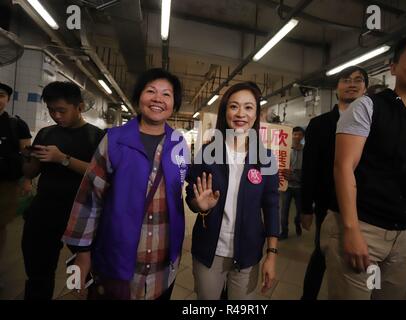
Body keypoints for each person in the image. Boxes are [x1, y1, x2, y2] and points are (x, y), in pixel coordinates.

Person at [325, 27, 406, 299]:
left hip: (405, 234)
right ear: (393, 67)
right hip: (362, 224)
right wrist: (351, 230)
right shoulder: (369, 107)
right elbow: (343, 167)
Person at [62, 68, 189, 300]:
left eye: (166, 94)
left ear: (174, 103)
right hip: (117, 262)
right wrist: (82, 253)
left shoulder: (179, 143)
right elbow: (89, 199)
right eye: (150, 91)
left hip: (163, 264)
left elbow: (177, 193)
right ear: (139, 96)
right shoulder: (114, 140)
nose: (158, 98)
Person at [185, 82, 280, 300]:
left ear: (256, 115)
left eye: (248, 107)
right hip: (210, 251)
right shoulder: (207, 152)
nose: (240, 114)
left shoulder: (265, 159)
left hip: (247, 253)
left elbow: (272, 206)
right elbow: (191, 192)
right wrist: (199, 206)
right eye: (234, 106)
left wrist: (271, 255)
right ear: (225, 111)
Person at [21, 81, 104, 300]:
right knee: (38, 273)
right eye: (51, 110)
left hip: (81, 216)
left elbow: (101, 175)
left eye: (62, 110)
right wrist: (30, 159)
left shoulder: (96, 137)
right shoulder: (47, 134)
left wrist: (63, 159)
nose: (56, 116)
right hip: (44, 212)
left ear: (79, 106)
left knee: (87, 275)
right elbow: (30, 172)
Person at [300, 66, 368, 300]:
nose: (352, 84)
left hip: (366, 205)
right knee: (321, 253)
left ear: (365, 88)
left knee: (361, 258)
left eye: (358, 80)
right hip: (327, 202)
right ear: (337, 87)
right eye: (346, 79)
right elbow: (308, 168)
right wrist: (305, 208)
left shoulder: (375, 123)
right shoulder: (319, 124)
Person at [0, 82, 32, 287]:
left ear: (7, 99)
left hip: (5, 184)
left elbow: (28, 156)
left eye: (1, 95)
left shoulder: (16, 125)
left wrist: (28, 179)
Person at [279, 126, 305, 239]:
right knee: (284, 212)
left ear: (303, 136)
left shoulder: (306, 150)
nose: (297, 136)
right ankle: (284, 232)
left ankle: (297, 222)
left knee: (300, 211)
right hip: (287, 186)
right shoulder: (286, 150)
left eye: (299, 134)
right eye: (295, 134)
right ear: (291, 135)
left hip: (300, 186)